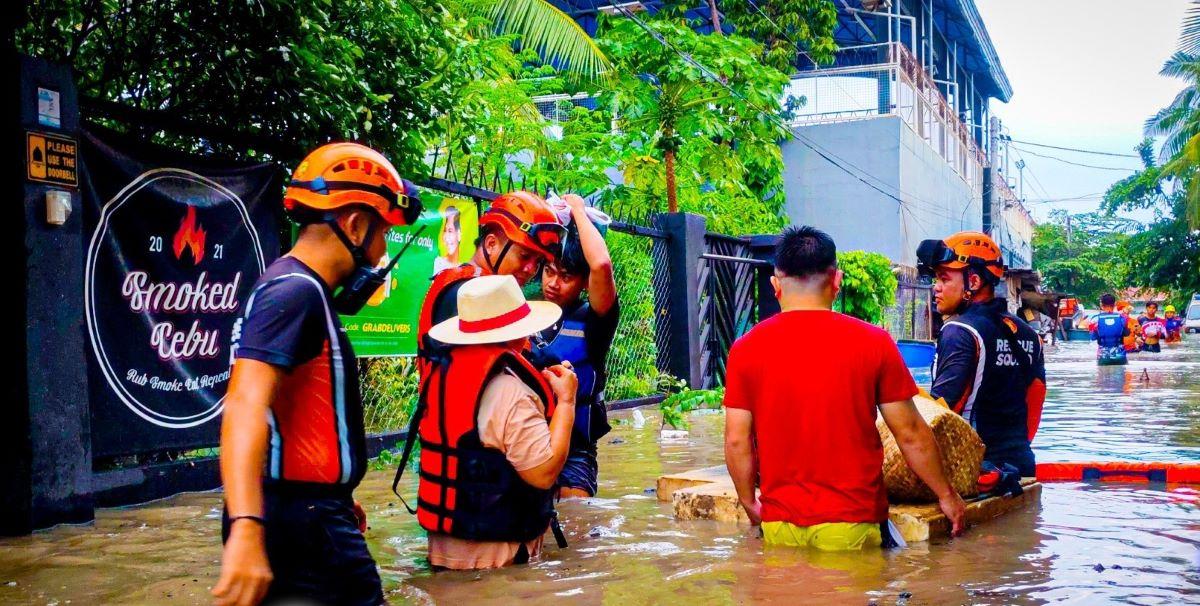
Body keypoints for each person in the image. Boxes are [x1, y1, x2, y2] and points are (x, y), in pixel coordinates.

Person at [214, 143, 422, 606]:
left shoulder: (287, 285)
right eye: (383, 231)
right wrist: (248, 526)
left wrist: (335, 494)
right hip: (302, 521)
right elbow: (246, 404)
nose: (382, 250)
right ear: (354, 224)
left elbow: (285, 416)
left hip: (305, 512)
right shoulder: (297, 293)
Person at [723, 226, 966, 551]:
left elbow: (737, 440)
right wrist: (947, 495)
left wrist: (748, 501)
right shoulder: (873, 343)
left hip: (779, 527)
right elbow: (909, 433)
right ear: (836, 281)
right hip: (852, 525)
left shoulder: (745, 349)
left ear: (775, 285)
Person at [417, 275, 578, 569]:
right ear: (517, 333)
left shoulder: (438, 376)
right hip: (498, 556)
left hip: (442, 551)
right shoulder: (511, 391)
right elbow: (543, 472)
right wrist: (567, 402)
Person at [918, 232, 1046, 478]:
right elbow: (1036, 396)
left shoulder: (959, 331)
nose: (936, 288)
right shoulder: (1029, 334)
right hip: (1022, 467)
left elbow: (941, 415)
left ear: (974, 282)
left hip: (976, 473)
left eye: (944, 279)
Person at [417, 191, 565, 382]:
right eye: (524, 256)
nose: (531, 269)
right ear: (491, 244)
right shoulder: (470, 295)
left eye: (538, 261)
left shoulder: (468, 286)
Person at [527, 194, 619, 499]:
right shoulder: (522, 315)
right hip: (526, 438)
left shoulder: (595, 321)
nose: (553, 283)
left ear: (583, 283)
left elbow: (601, 264)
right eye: (549, 272)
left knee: (577, 528)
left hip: (575, 450)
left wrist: (578, 210)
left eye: (565, 276)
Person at [1091, 294, 1131, 366]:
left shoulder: (1095, 319)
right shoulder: (1123, 318)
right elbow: (1126, 333)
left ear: (1101, 305)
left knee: (1102, 376)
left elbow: (1093, 337)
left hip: (1103, 357)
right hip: (1120, 356)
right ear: (1114, 304)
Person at [432, 205, 462, 277]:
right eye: (445, 231)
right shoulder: (438, 262)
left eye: (450, 231)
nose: (446, 237)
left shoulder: (464, 268)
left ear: (459, 234)